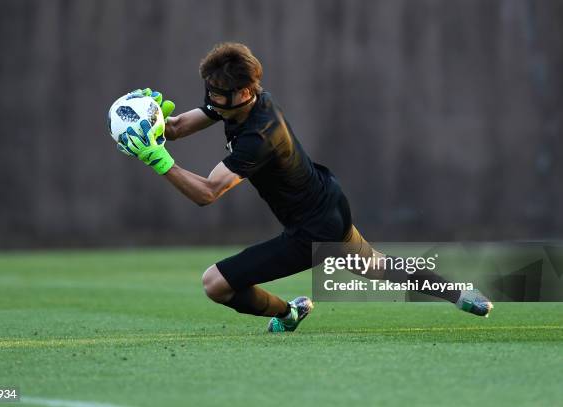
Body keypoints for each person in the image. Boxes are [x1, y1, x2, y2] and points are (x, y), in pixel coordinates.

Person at [116, 42, 493, 333]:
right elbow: (179, 128)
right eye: (209, 91)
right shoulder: (237, 99)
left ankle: (289, 312)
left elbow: (207, 193)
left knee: (215, 284)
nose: (212, 100)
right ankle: (460, 294)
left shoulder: (258, 135)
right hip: (327, 201)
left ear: (245, 93)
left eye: (219, 95)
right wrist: (154, 120)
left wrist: (156, 159)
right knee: (376, 266)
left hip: (312, 231)